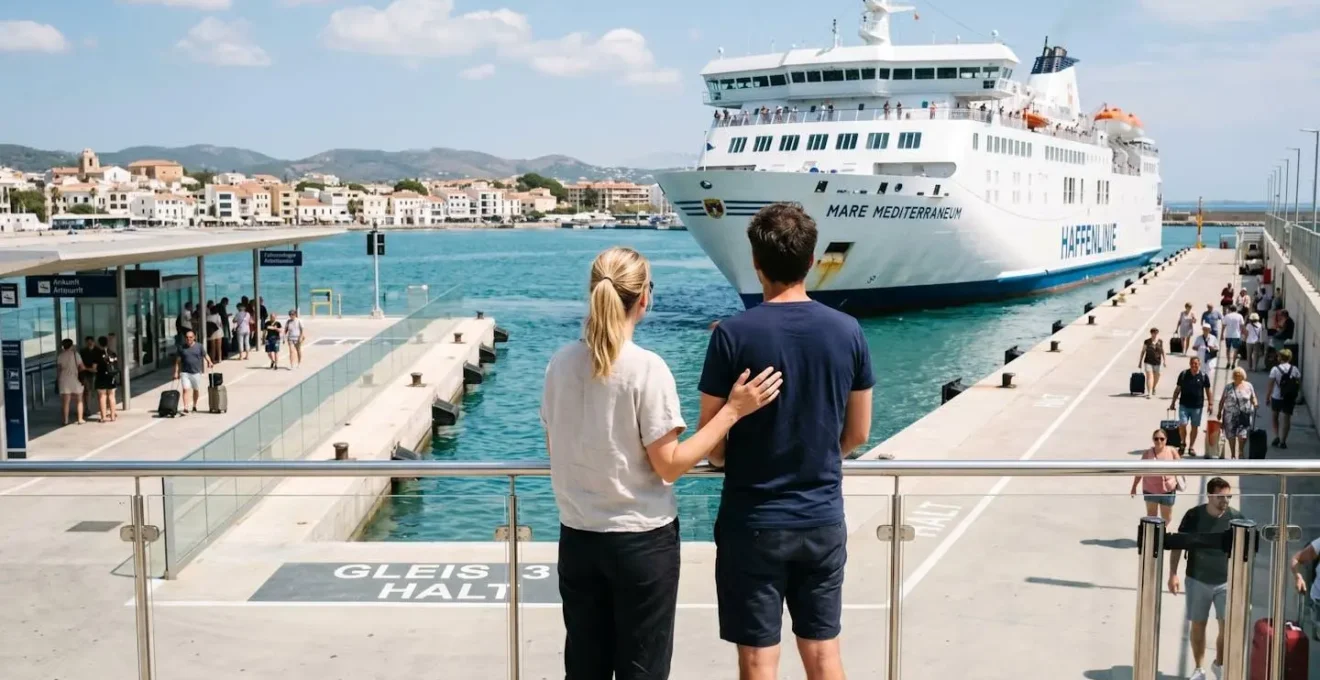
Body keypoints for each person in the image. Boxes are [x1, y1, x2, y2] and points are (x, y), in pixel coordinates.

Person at [541, 247, 783, 680]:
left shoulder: (560, 364)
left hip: (577, 537)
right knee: (643, 670)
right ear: (644, 299)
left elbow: (554, 444)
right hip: (639, 541)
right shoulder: (645, 369)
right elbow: (670, 465)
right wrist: (732, 411)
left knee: (584, 667)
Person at [697, 203, 874, 680]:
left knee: (758, 658)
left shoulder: (732, 334)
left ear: (756, 262)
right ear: (812, 260)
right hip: (820, 517)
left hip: (752, 519)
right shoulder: (847, 331)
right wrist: (818, 455)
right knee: (823, 652)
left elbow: (711, 442)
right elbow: (858, 433)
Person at [1168, 478, 1242, 680]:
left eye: (1228, 496)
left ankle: (1219, 663)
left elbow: (1245, 552)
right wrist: (1173, 573)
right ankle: (1199, 669)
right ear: (1210, 495)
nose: (1225, 501)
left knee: (1227, 626)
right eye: (1221, 496)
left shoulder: (1236, 518)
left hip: (1226, 581)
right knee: (1198, 624)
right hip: (1197, 578)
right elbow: (1177, 544)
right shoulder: (1193, 516)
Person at [1171, 356, 1213, 457]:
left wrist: (1210, 404)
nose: (1194, 365)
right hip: (1184, 405)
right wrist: (1173, 402)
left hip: (1197, 406)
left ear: (1199, 364)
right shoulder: (1184, 374)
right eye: (1192, 363)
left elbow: (1208, 391)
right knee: (1183, 424)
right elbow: (1178, 389)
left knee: (1194, 427)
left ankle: (1191, 447)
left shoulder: (1203, 376)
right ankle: (1182, 443)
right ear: (1190, 364)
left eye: (1196, 363)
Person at [1217, 367, 1258, 460]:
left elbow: (1253, 397)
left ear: (1243, 376)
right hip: (1230, 415)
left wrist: (1255, 403)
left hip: (1244, 415)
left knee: (1243, 435)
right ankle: (1233, 454)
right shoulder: (1228, 387)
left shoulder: (1248, 386)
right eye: (1235, 374)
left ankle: (1240, 451)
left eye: (1239, 374)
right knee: (1231, 435)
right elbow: (1222, 400)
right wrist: (1219, 412)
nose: (1237, 376)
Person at [1267, 348, 1301, 449]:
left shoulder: (1275, 369)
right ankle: (1283, 441)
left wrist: (1267, 397)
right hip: (1289, 397)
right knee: (1286, 418)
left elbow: (1270, 385)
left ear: (1280, 357)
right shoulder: (1294, 369)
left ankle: (1277, 436)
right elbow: (1298, 383)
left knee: (1275, 417)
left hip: (1276, 396)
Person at [173, 329, 212, 415]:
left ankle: (194, 405)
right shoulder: (181, 348)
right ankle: (186, 407)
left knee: (196, 390)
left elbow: (205, 355)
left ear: (194, 338)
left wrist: (210, 361)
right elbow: (178, 361)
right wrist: (176, 372)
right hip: (185, 372)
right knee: (185, 389)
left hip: (196, 372)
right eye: (187, 337)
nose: (188, 339)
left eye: (190, 337)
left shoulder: (199, 346)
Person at [56, 338, 86, 426]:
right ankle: (80, 419)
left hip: (64, 380)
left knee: (66, 402)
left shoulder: (60, 356)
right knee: (79, 399)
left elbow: (59, 370)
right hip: (75, 379)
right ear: (72, 345)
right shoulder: (76, 354)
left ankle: (65, 420)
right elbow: (82, 367)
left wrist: (57, 380)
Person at [94, 336, 119, 423]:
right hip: (111, 377)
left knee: (102, 396)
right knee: (112, 396)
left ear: (99, 343)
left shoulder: (97, 354)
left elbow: (94, 368)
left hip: (101, 376)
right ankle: (113, 416)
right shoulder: (112, 353)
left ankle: (103, 417)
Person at [1137, 327, 1166, 398]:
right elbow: (1143, 351)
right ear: (1151, 333)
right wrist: (1140, 362)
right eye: (1153, 333)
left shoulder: (1160, 341)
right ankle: (1149, 393)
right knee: (1150, 376)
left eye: (1156, 333)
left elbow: (1163, 351)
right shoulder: (1147, 342)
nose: (1155, 334)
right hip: (1148, 362)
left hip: (1157, 362)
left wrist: (1165, 361)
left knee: (1157, 376)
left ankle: (1153, 387)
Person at [78, 335, 102, 415]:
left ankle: (92, 407)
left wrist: (86, 368)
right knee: (87, 390)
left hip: (94, 373)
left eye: (90, 342)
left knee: (93, 391)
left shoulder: (98, 351)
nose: (89, 344)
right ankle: (87, 408)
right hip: (86, 373)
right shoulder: (83, 351)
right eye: (88, 342)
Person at [1221, 306, 1244, 370]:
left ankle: (1228, 362)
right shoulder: (1239, 316)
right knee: (1236, 350)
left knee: (1228, 349)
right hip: (1236, 335)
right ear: (1236, 309)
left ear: (1229, 309)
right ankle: (1233, 363)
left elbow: (1223, 326)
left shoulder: (1227, 316)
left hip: (1228, 335)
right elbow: (1242, 326)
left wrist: (1222, 334)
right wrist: (1243, 334)